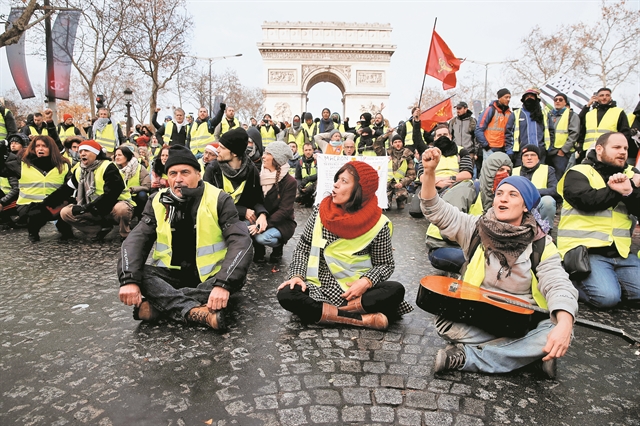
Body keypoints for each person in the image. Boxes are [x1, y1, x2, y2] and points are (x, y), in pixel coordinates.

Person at [420, 147, 578, 377]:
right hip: (481, 314)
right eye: (500, 193)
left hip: (523, 321)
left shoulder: (541, 244)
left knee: (562, 328)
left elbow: (558, 283)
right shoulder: (475, 228)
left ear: (526, 206)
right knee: (443, 323)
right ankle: (528, 353)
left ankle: (468, 358)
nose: (503, 198)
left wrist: (564, 324)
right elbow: (435, 210)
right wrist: (430, 173)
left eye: (513, 195)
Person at [117, 145, 253, 330]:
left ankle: (161, 306)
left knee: (235, 276)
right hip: (171, 274)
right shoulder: (157, 200)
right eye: (173, 173)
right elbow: (136, 240)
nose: (178, 179)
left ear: (198, 174)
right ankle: (196, 312)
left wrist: (223, 284)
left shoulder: (219, 198)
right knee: (136, 272)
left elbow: (241, 241)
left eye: (185, 172)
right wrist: (129, 281)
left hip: (210, 275)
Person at [277, 161, 413, 330]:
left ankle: (326, 314)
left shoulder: (379, 224)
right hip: (317, 288)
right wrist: (297, 276)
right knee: (286, 294)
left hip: (356, 293)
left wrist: (366, 281)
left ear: (359, 190)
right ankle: (359, 320)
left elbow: (385, 265)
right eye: (337, 179)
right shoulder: (320, 211)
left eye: (344, 181)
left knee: (395, 290)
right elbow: (303, 248)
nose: (336, 184)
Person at [557, 132, 640, 309]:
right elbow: (587, 202)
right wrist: (621, 189)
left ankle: (614, 284)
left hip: (621, 252)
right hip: (586, 251)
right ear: (600, 149)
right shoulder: (578, 172)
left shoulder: (631, 173)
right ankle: (566, 281)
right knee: (607, 299)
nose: (623, 152)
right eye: (616, 147)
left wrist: (629, 192)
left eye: (625, 148)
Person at [59, 140, 134, 242]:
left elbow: (111, 195)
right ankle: (96, 231)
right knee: (65, 212)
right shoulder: (79, 170)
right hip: (94, 208)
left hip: (113, 206)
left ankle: (125, 233)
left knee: (122, 209)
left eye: (86, 150)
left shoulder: (108, 166)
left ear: (95, 153)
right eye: (80, 151)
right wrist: (44, 205)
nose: (82, 154)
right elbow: (65, 190)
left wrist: (86, 208)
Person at [204, 127, 266, 225]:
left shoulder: (251, 170)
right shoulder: (213, 169)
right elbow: (208, 202)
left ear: (235, 153)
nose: (217, 150)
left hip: (242, 220)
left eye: (222, 148)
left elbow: (258, 199)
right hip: (217, 220)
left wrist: (262, 214)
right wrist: (242, 211)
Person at [16, 135, 73, 242]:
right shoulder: (23, 163)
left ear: (51, 149)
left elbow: (70, 186)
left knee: (66, 209)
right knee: (37, 212)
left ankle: (65, 231)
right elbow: (4, 170)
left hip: (54, 202)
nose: (40, 149)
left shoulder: (64, 165)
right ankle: (33, 232)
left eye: (44, 146)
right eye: (37, 146)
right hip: (28, 204)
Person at [251, 141, 297, 264]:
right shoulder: (259, 174)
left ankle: (278, 246)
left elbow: (285, 210)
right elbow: (255, 200)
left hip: (281, 222)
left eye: (268, 153)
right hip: (261, 216)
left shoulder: (290, 182)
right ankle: (259, 251)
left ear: (277, 158)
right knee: (245, 228)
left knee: (262, 237)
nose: (263, 156)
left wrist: (264, 224)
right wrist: (261, 216)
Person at [578, 88, 632, 163]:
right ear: (597, 98)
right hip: (588, 151)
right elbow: (581, 131)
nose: (604, 97)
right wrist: (580, 148)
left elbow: (625, 133)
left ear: (611, 97)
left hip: (608, 151)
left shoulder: (618, 112)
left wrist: (618, 148)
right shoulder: (589, 114)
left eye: (607, 95)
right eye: (601, 95)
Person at [512, 144, 559, 231]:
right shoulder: (514, 171)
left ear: (538, 158)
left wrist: (533, 192)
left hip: (539, 204)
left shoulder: (548, 169)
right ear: (522, 159)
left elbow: (555, 190)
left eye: (533, 155)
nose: (529, 158)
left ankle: (546, 231)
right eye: (526, 155)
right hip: (519, 204)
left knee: (548, 201)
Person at [431, 124, 473, 192]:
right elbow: (422, 176)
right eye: (439, 135)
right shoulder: (428, 153)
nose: (442, 137)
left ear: (450, 136)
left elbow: (467, 173)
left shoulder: (461, 151)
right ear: (434, 138)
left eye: (445, 134)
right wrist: (437, 183)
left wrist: (449, 179)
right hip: (432, 185)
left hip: (457, 185)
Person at [547, 93, 580, 177]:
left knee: (562, 177)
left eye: (560, 100)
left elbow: (574, 133)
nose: (557, 101)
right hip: (549, 152)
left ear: (565, 102)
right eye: (555, 100)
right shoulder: (549, 115)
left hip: (563, 153)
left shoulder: (572, 115)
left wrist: (563, 150)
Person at [475, 88, 515, 158]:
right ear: (499, 98)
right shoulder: (490, 110)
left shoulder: (509, 113)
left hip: (504, 149)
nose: (508, 99)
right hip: (491, 148)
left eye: (509, 97)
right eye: (506, 97)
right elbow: (479, 129)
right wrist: (486, 146)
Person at [114, 146, 151, 220]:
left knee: (142, 195)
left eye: (120, 155)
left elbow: (147, 186)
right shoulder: (113, 168)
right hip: (119, 196)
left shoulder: (139, 168)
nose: (117, 157)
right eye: (116, 155)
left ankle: (141, 218)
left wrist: (132, 189)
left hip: (134, 195)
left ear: (127, 156)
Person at [449, 101, 479, 173]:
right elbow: (449, 137)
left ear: (465, 109)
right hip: (456, 153)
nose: (457, 110)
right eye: (457, 109)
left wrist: (476, 153)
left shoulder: (473, 121)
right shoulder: (453, 122)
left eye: (459, 108)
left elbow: (476, 138)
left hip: (469, 153)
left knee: (469, 173)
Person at [387, 134, 416, 209]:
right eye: (395, 142)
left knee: (402, 195)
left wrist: (402, 183)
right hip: (387, 184)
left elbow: (412, 175)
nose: (397, 144)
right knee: (386, 207)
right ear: (392, 144)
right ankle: (387, 201)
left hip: (400, 183)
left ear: (402, 143)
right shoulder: (386, 154)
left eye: (399, 141)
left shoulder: (408, 157)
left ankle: (400, 201)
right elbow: (377, 146)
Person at [295, 143, 317, 208]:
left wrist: (308, 179)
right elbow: (298, 177)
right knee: (295, 196)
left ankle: (310, 198)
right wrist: (299, 186)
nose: (308, 152)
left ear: (313, 150)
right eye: (306, 150)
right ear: (303, 151)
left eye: (310, 150)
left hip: (315, 185)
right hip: (304, 184)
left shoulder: (317, 161)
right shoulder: (299, 163)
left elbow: (320, 175)